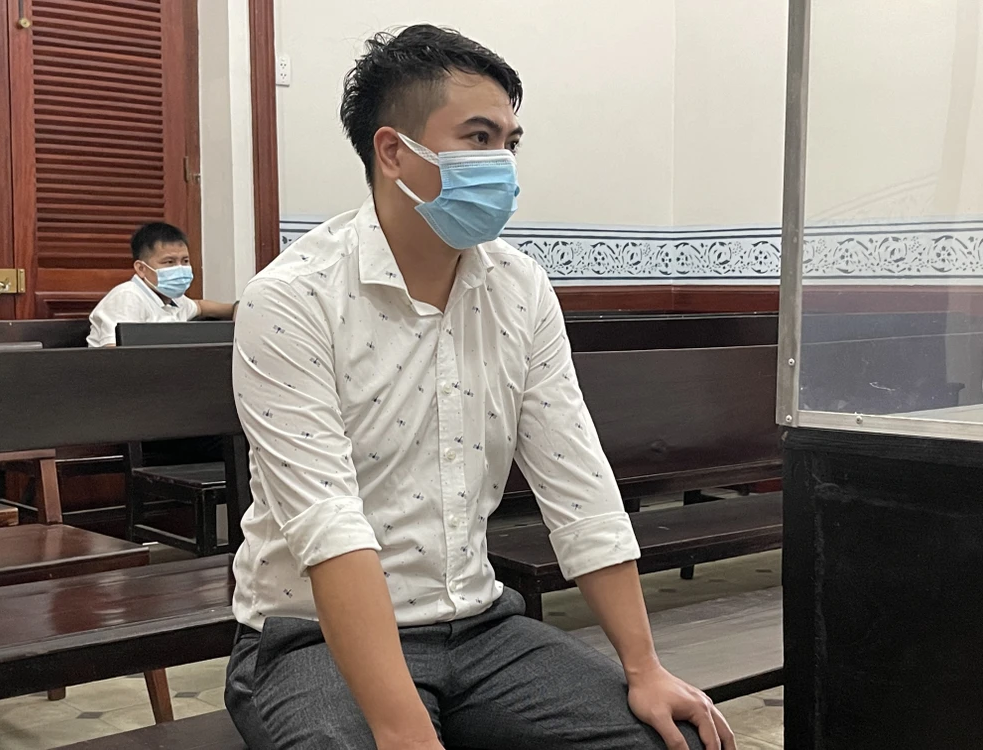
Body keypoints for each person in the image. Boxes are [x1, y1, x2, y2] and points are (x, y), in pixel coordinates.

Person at [226, 24, 735, 750]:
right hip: (310, 637)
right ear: (393, 152)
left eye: (509, 142)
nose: (503, 163)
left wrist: (643, 667)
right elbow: (328, 525)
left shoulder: (519, 290)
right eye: (478, 137)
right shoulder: (293, 299)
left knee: (665, 739)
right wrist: (403, 730)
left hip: (479, 628)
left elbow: (579, 485)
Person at [86, 222, 236, 348]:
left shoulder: (175, 299)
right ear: (141, 268)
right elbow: (115, 353)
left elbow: (200, 306)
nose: (179, 268)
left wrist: (238, 308)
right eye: (169, 262)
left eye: (185, 261)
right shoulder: (127, 297)